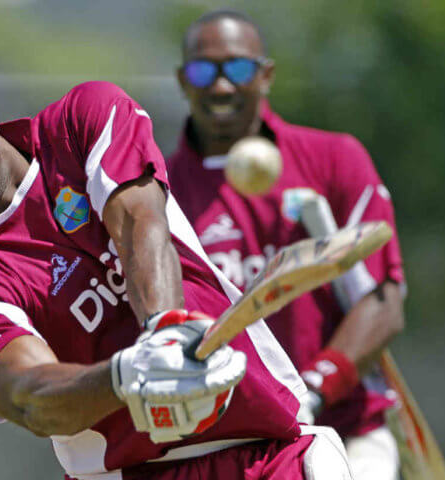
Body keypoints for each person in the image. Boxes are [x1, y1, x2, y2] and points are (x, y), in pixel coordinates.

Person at [0, 54, 353, 479]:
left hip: (270, 453)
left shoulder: (82, 121)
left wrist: (164, 331)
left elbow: (137, 220)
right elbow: (32, 395)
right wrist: (127, 376)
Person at [167, 10, 406, 480]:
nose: (220, 86)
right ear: (182, 79)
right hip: (227, 450)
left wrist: (312, 389)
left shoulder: (333, 159)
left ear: (266, 74)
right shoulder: (159, 193)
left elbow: (384, 302)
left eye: (237, 68)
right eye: (203, 70)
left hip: (344, 429)